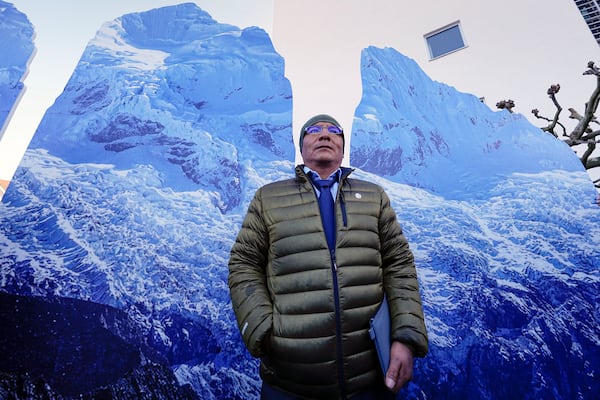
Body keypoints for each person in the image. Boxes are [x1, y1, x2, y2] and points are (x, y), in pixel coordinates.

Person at [228, 114, 428, 399]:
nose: (325, 134)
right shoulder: (268, 198)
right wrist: (264, 329)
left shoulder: (374, 197)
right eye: (314, 130)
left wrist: (405, 337)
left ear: (343, 147)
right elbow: (243, 264)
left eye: (334, 130)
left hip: (369, 380)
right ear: (301, 146)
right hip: (288, 383)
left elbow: (399, 265)